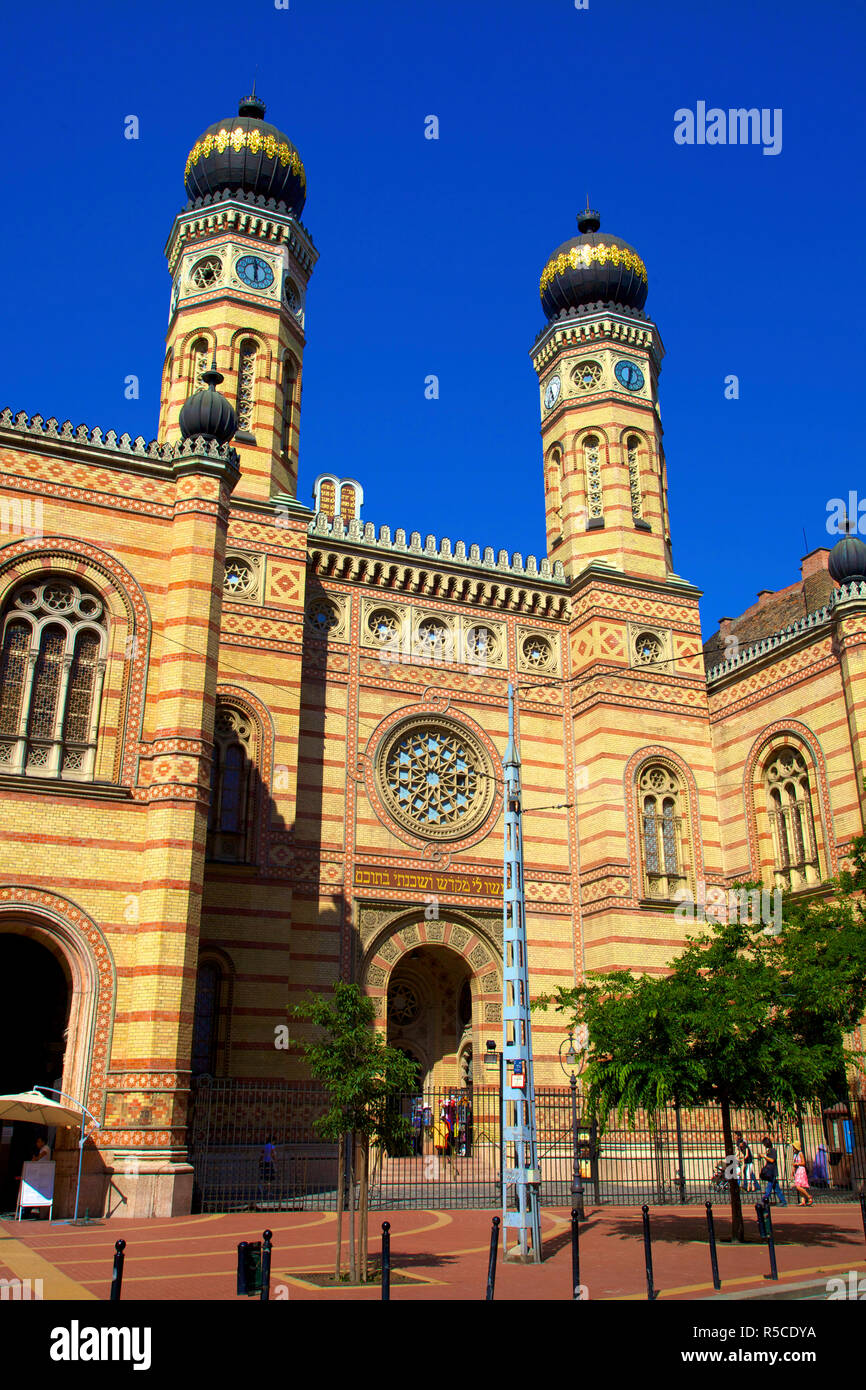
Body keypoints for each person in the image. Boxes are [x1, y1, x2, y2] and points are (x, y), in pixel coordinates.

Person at [760, 1136, 787, 1206]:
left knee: (769, 1186)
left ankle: (765, 1198)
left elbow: (772, 1160)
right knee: (776, 1187)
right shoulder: (769, 1150)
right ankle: (783, 1201)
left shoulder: (773, 1150)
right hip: (770, 1170)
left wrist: (764, 1156)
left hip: (772, 1171)